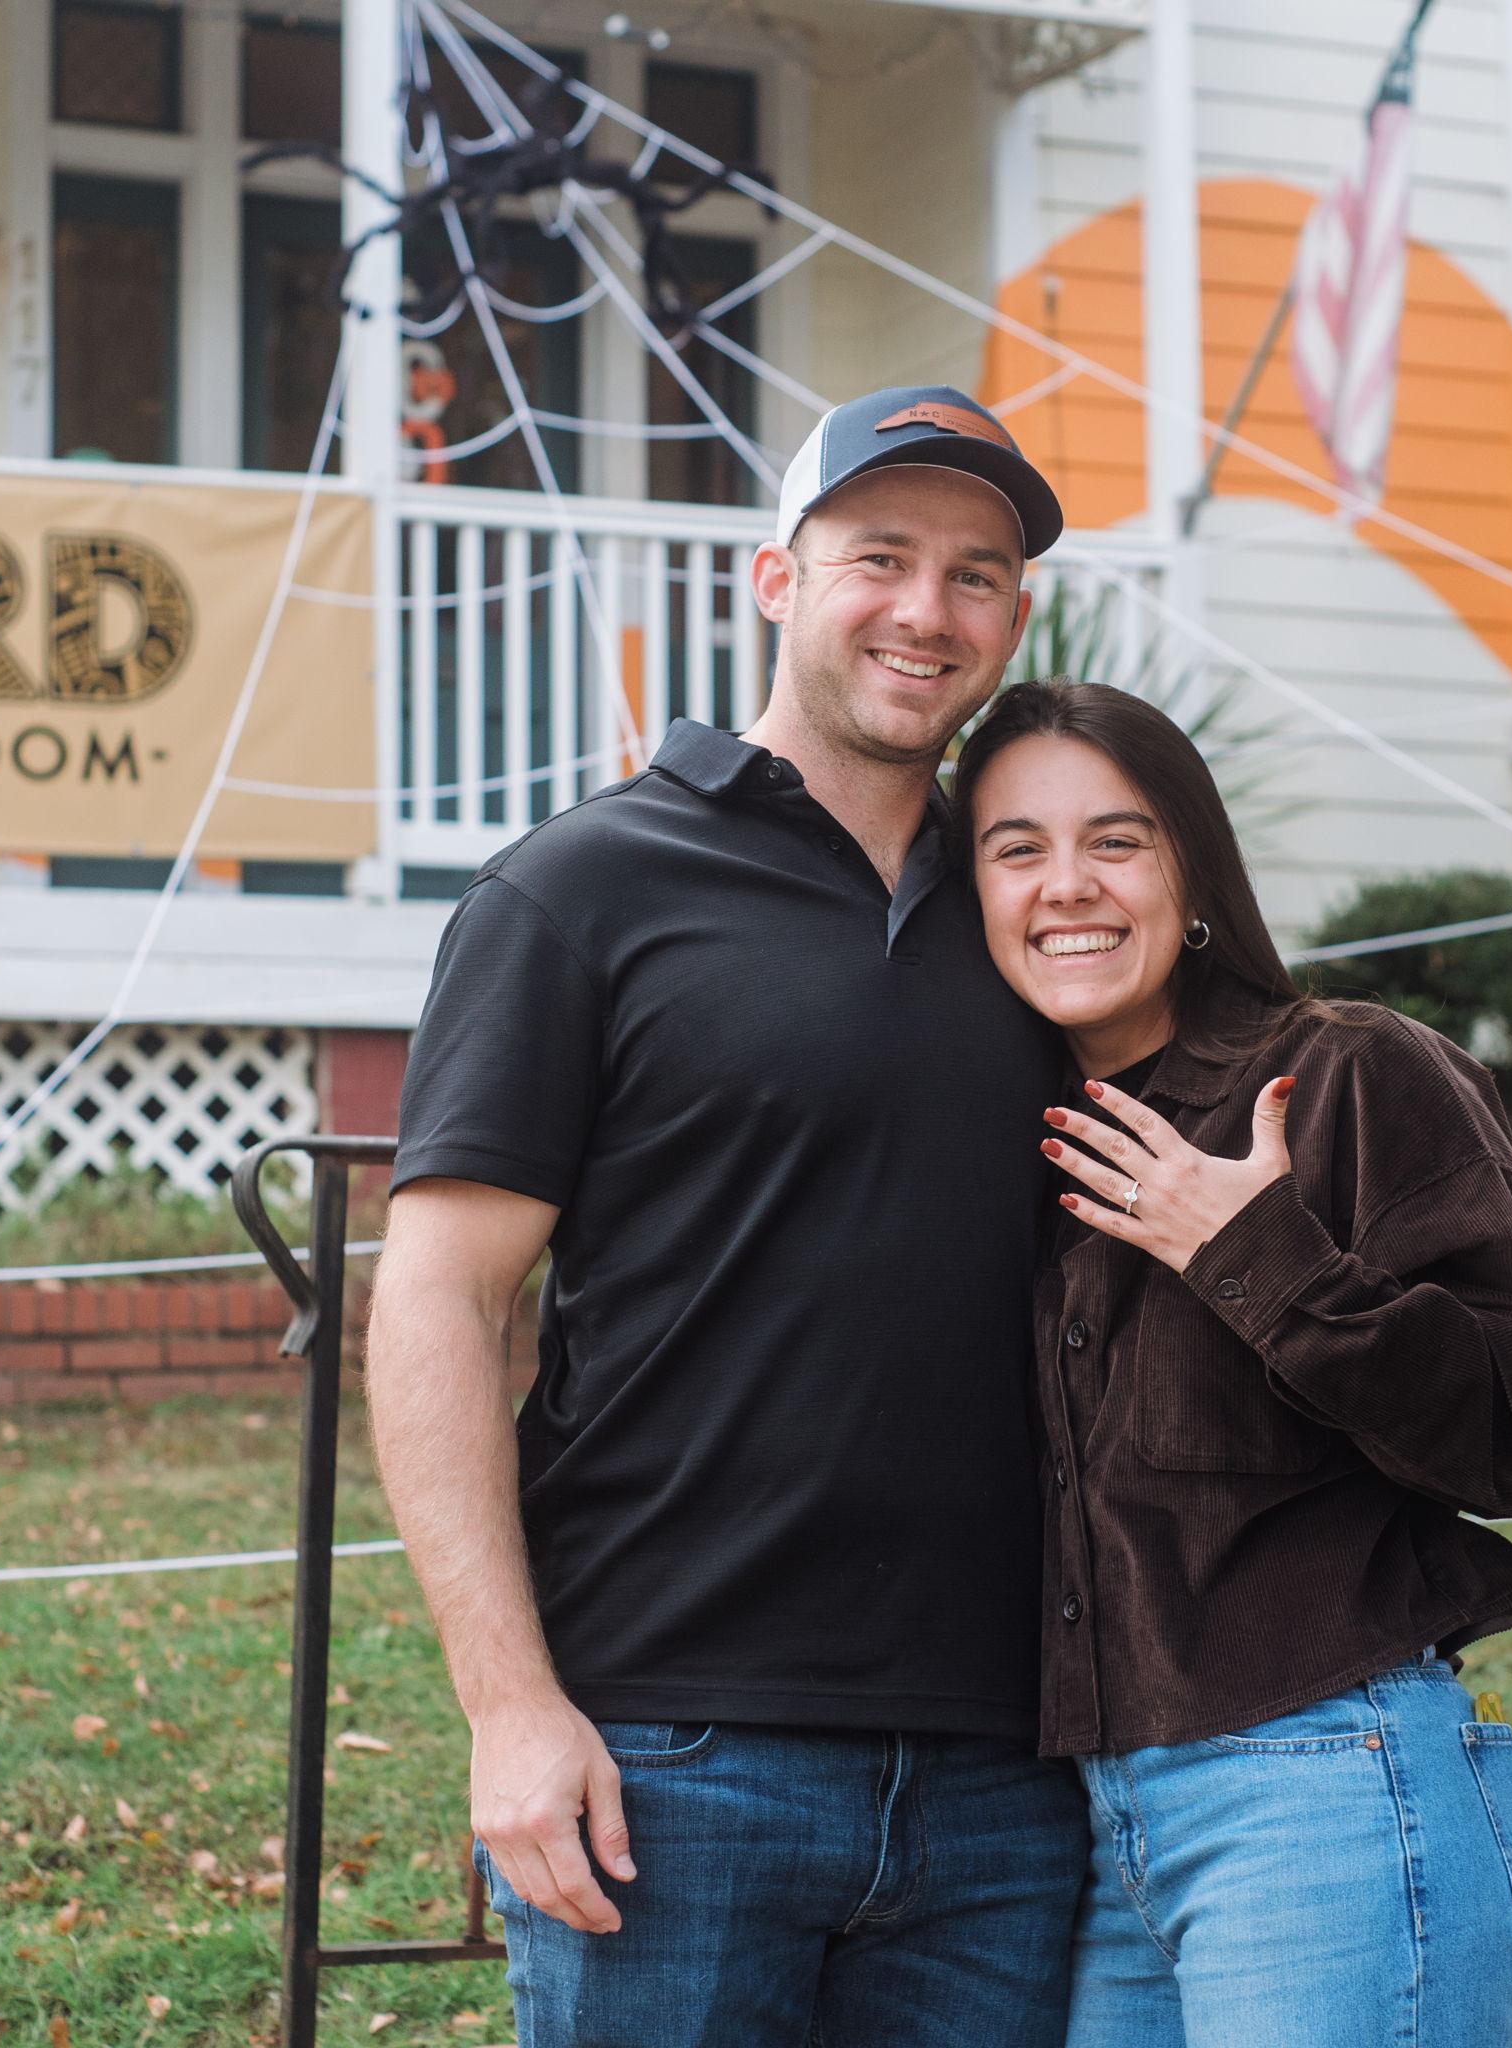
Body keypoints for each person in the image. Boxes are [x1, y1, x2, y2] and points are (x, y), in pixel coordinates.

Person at [365, 388, 1091, 2048]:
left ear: (1015, 618)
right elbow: (441, 1298)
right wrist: (508, 1706)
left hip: (1007, 1772)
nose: (927, 610)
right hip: (671, 1763)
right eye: (879, 558)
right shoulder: (582, 889)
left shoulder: (1042, 917)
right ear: (775, 581)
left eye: (976, 575)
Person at [950, 678, 1512, 2048]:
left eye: (1116, 840)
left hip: (1327, 1793)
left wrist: (1257, 1253)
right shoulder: (1001, 1136)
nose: (1067, 885)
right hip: (1098, 1835)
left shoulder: (1346, 1074)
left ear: (1193, 873)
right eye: (1017, 848)